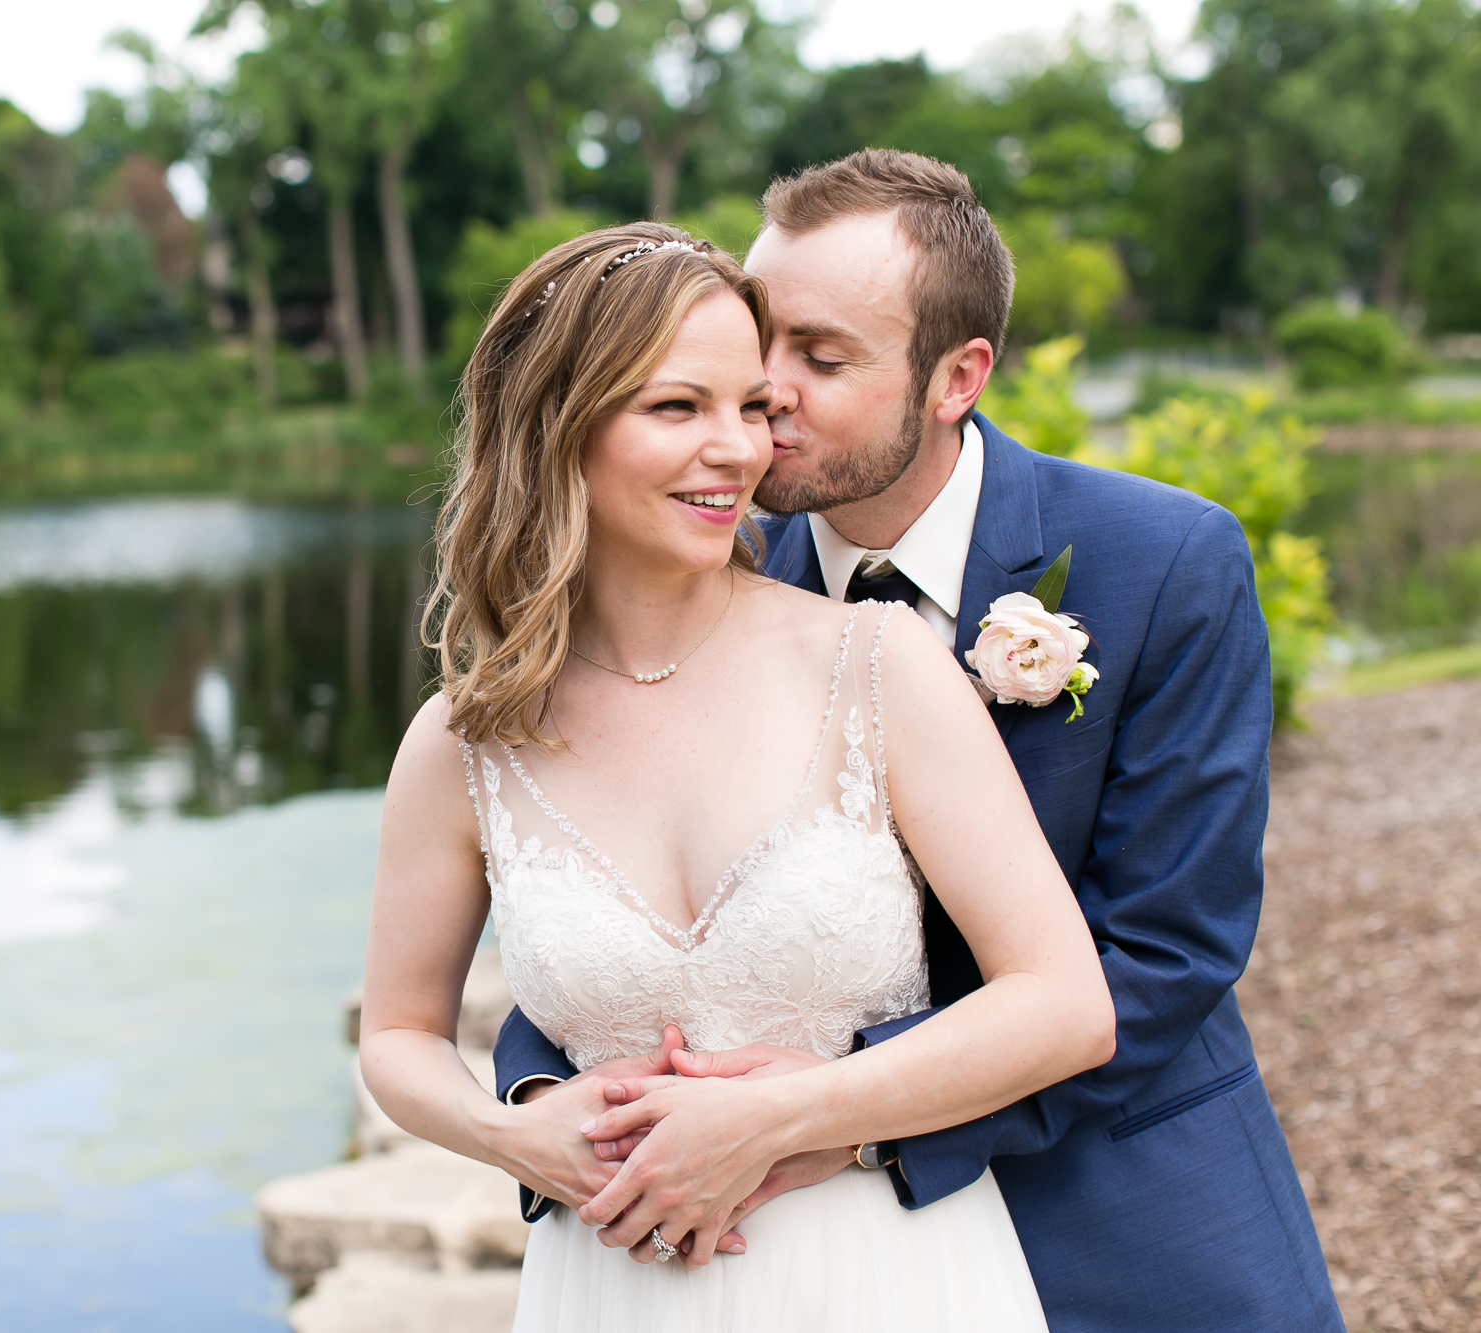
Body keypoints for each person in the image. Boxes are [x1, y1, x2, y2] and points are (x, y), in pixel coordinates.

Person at [490, 151, 1345, 1331]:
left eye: (819, 356)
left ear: (956, 377)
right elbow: (613, 884)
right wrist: (549, 1095)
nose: (763, 392)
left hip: (1116, 1221)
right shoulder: (703, 576)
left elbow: (1163, 956)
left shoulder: (1163, 565)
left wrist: (839, 1122)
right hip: (784, 1258)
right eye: (754, 339)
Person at [356, 215, 1116, 1331]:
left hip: (883, 1275)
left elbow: (1063, 1006)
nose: (739, 448)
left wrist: (790, 1115)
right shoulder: (463, 740)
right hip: (607, 1284)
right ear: (557, 428)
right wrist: (513, 1134)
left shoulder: (872, 662)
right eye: (678, 407)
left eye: (750, 407)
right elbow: (397, 1035)